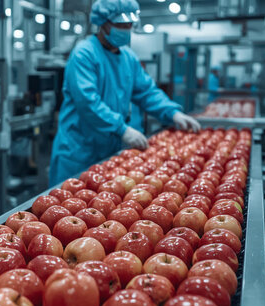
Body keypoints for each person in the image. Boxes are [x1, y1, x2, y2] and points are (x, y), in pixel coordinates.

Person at [49, 0, 201, 186]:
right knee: (68, 202)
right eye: (120, 25)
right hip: (80, 150)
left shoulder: (128, 58)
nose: (126, 30)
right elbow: (88, 102)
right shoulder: (84, 54)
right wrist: (121, 128)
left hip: (110, 149)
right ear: (103, 23)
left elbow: (146, 91)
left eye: (129, 25)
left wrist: (172, 112)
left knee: (102, 206)